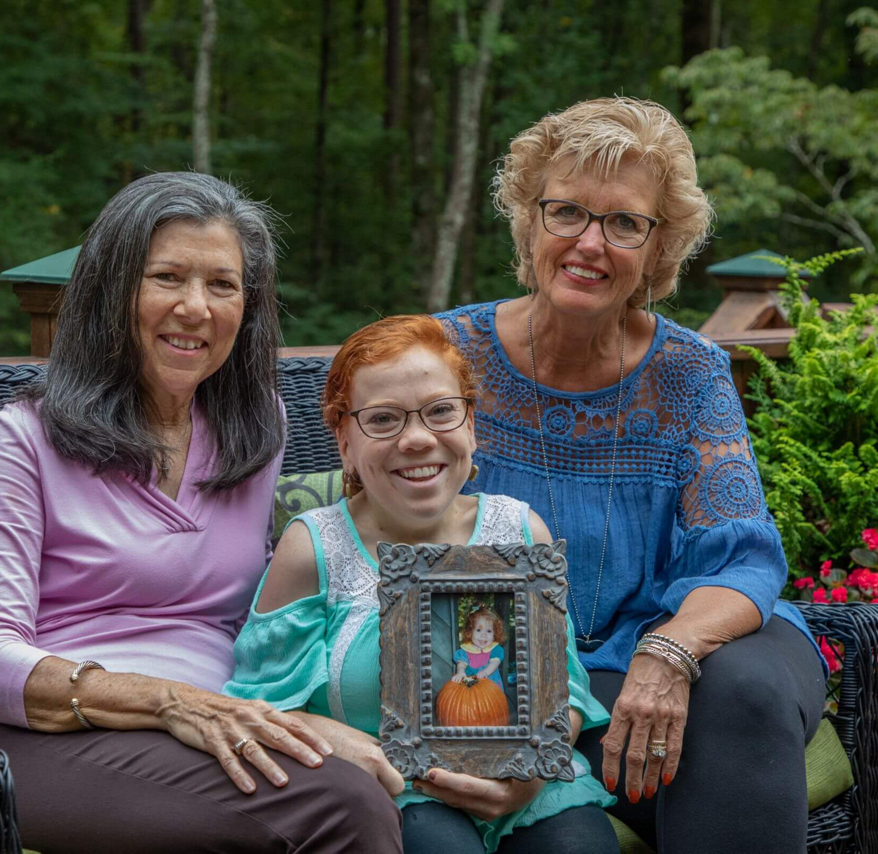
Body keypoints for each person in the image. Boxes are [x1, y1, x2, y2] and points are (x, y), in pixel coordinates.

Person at [0, 172, 402, 853]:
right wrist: (172, 703)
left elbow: (254, 627)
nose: (197, 307)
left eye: (222, 284)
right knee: (344, 808)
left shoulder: (258, 427)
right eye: (167, 277)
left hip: (214, 725)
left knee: (379, 779)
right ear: (113, 291)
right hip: (41, 740)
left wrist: (296, 719)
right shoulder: (27, 434)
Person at [435, 98, 829, 853]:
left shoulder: (691, 374)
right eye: (567, 212)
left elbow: (739, 555)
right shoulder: (452, 359)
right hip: (519, 664)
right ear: (529, 220)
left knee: (739, 693)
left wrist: (669, 651)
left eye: (624, 224)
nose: (591, 243)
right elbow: (388, 521)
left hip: (689, 640)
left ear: (657, 251)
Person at [223, 315, 620, 854]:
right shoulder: (313, 548)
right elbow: (258, 706)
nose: (417, 439)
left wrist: (531, 771)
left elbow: (563, 689)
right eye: (383, 419)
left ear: (470, 423)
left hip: (528, 786)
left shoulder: (520, 531)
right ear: (343, 437)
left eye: (440, 411)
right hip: (390, 797)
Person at [451, 607, 507, 687]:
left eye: (489, 631)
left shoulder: (495, 650)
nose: (483, 635)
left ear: (495, 634)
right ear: (470, 631)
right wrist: (460, 672)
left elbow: (494, 662)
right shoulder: (465, 651)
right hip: (471, 687)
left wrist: (485, 672)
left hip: (491, 688)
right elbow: (462, 663)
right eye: (478, 630)